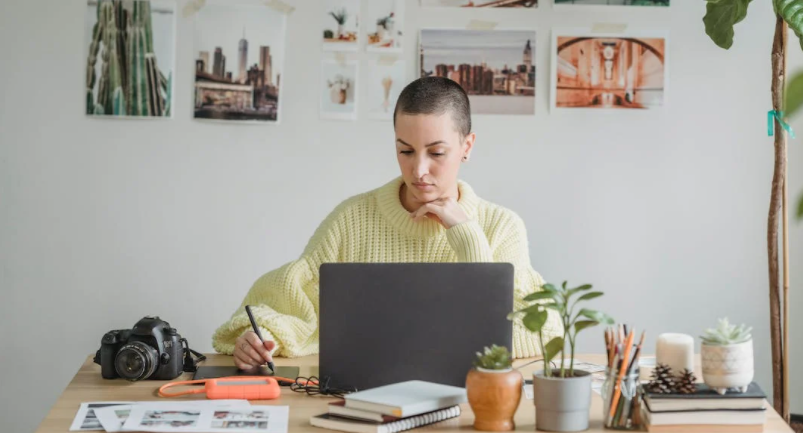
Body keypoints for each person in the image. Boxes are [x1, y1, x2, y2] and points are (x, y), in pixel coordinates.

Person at [212, 77, 562, 370]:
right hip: (360, 394)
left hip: (468, 398)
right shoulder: (352, 218)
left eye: (437, 153)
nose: (419, 170)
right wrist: (256, 338)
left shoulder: (502, 225)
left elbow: (537, 334)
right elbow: (293, 302)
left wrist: (466, 233)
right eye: (405, 151)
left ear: (467, 146)